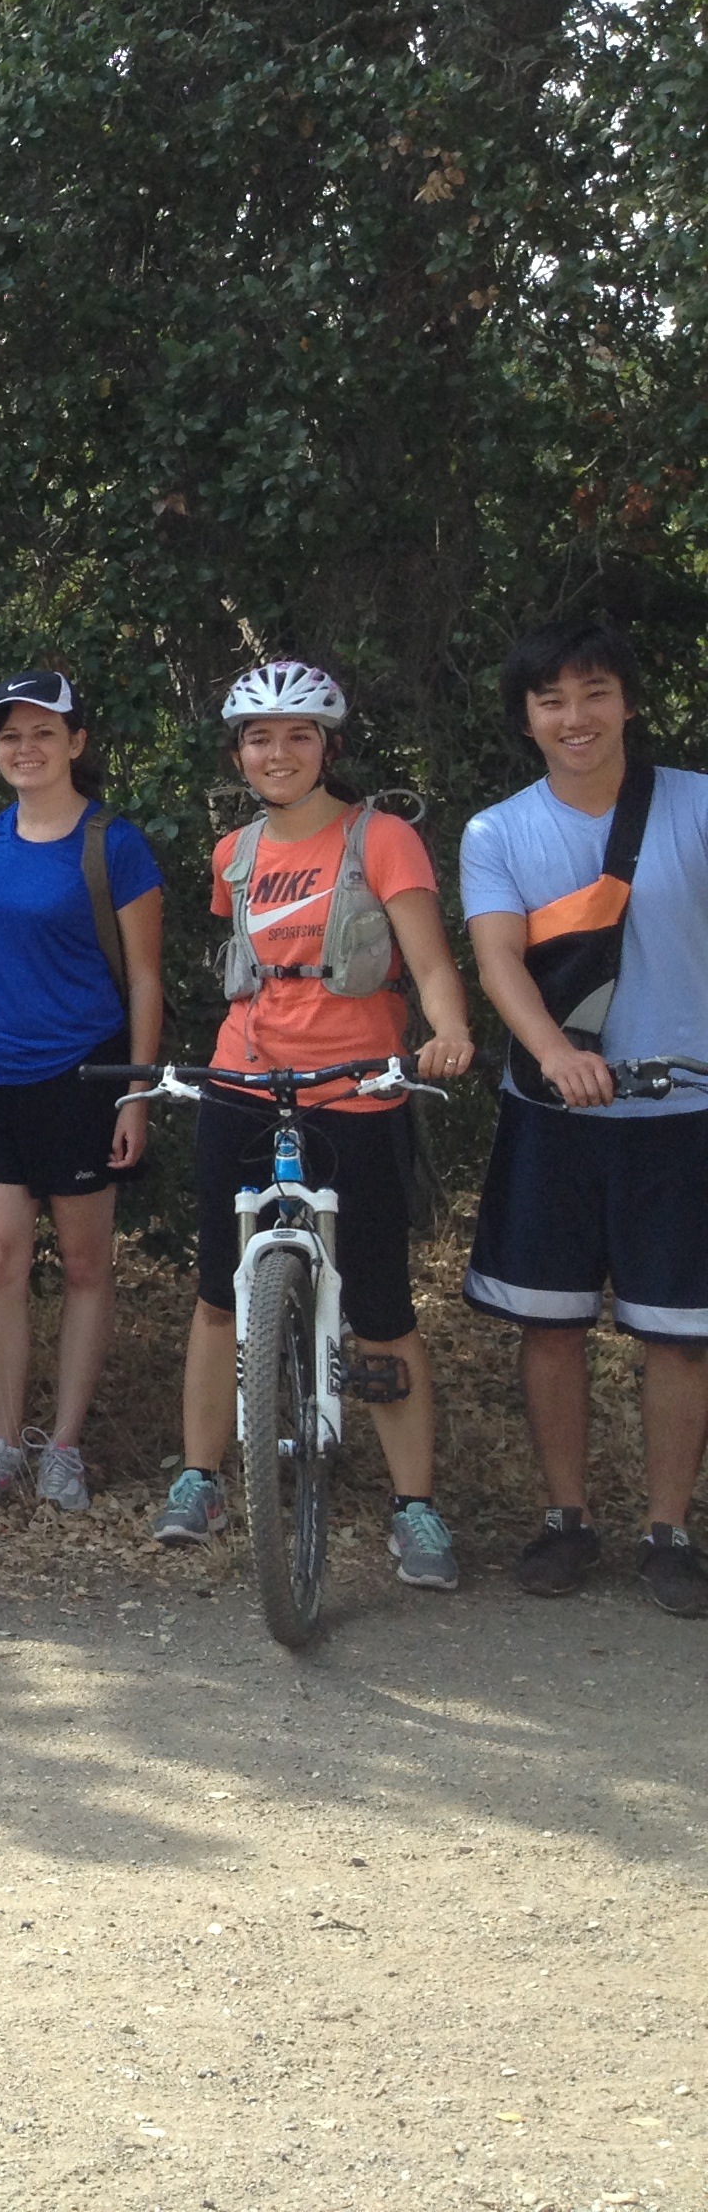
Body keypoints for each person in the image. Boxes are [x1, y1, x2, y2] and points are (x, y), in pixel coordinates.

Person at [151, 662, 477, 1585]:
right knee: (221, 1292)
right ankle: (200, 1477)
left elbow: (428, 960)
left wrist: (449, 1032)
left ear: (328, 747)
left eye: (299, 735)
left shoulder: (382, 839)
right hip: (242, 1083)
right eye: (260, 737)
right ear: (239, 754)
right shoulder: (234, 854)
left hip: (357, 1085)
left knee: (378, 1302)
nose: (278, 752)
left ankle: (417, 1507)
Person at [459, 616, 708, 1611]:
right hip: (552, 1116)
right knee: (550, 1327)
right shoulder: (498, 831)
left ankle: (670, 1531)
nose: (576, 717)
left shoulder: (696, 807)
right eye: (552, 699)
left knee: (682, 1335)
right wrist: (556, 1055)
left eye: (594, 693)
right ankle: (566, 1519)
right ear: (527, 718)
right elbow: (497, 960)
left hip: (686, 1112)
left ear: (629, 702)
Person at [0, 670, 166, 1510]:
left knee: (82, 1264)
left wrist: (137, 1092)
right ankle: (3, 1443)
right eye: (9, 736)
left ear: (76, 742)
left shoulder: (116, 844)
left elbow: (146, 979)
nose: (25, 748)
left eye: (43, 732)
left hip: (86, 1074)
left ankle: (63, 1446)